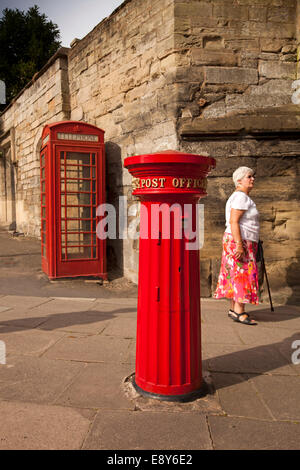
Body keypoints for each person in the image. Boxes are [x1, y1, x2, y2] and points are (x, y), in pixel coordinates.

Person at [214, 166, 259, 325]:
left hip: (238, 239)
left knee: (235, 273)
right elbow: (234, 221)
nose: (252, 179)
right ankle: (240, 312)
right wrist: (240, 244)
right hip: (240, 240)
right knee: (242, 274)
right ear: (239, 181)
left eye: (253, 176)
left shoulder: (239, 196)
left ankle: (234, 309)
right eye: (249, 176)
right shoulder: (241, 197)